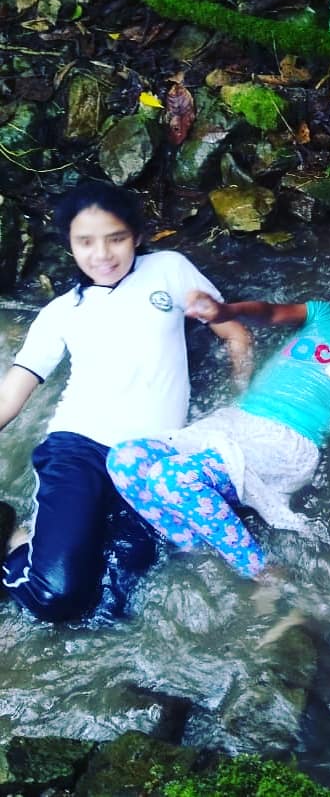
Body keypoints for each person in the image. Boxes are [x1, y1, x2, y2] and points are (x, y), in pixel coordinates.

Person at [0, 181, 251, 622]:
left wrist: (239, 404)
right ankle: (12, 537)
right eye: (86, 242)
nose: (102, 254)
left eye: (115, 238)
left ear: (136, 235)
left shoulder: (169, 269)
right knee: (57, 596)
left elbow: (235, 335)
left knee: (111, 608)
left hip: (150, 460)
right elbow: (17, 387)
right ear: (70, 245)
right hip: (79, 450)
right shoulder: (61, 312)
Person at [105, 258, 330, 579]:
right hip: (237, 422)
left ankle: (264, 572)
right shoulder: (323, 314)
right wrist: (224, 311)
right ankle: (197, 546)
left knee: (171, 478)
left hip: (286, 443)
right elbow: (269, 312)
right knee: (125, 460)